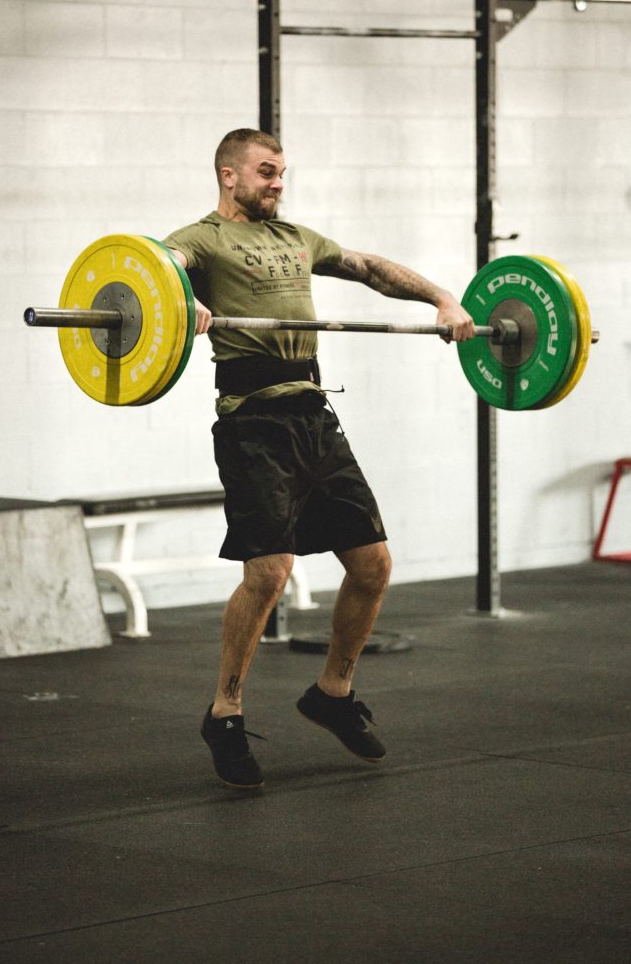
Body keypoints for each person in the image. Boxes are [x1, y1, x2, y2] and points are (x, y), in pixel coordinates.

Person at [163, 127, 475, 790]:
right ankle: (224, 712)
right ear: (228, 175)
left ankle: (331, 692)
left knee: (372, 565)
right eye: (266, 172)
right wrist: (178, 296)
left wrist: (443, 299)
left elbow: (368, 269)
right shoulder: (202, 238)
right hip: (252, 421)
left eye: (282, 173)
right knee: (269, 573)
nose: (277, 183)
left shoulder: (296, 238)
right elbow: (149, 261)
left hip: (314, 415)